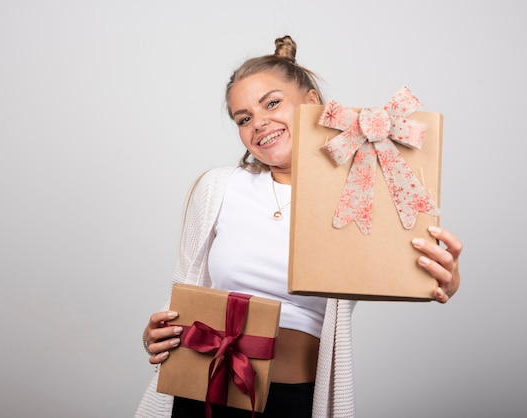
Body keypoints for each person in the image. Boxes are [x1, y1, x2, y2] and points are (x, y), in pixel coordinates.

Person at [135, 35, 462, 418]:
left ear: (310, 103)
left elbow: (403, 268)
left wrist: (444, 280)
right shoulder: (218, 187)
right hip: (204, 391)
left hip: (294, 401)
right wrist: (153, 335)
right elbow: (183, 288)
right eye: (243, 119)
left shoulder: (357, 193)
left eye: (272, 103)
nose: (258, 123)